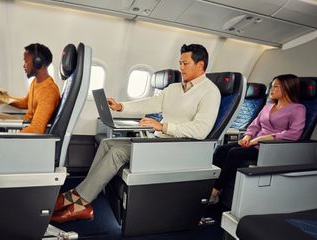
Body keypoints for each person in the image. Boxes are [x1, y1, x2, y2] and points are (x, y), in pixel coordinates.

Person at [51, 43, 221, 223]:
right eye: (180, 63)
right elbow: (149, 103)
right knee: (107, 143)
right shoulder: (174, 88)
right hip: (160, 142)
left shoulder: (210, 92)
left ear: (200, 65)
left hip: (179, 149)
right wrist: (121, 106)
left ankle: (80, 201)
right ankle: (84, 195)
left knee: (117, 152)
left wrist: (163, 126)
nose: (181, 67)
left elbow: (201, 130)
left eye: (185, 63)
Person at [210, 74, 306, 204]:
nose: (271, 90)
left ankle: (215, 191)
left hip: (270, 148)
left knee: (234, 153)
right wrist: (248, 136)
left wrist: (263, 138)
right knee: (221, 149)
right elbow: (255, 125)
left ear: (287, 88)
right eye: (271, 86)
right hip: (253, 142)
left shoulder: (298, 109)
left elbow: (294, 133)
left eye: (276, 87)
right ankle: (208, 185)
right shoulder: (268, 107)